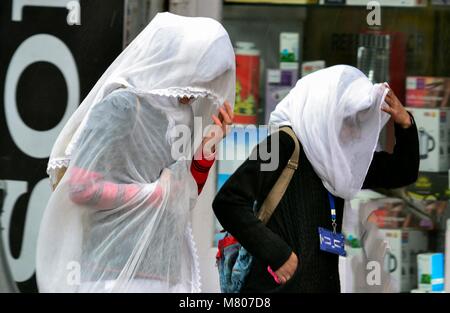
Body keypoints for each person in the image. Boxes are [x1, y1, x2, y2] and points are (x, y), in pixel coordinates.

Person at [36, 12, 235, 293]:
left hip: (164, 272)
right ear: (180, 64)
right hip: (112, 272)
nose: (203, 90)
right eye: (202, 79)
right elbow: (80, 188)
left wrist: (209, 145)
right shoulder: (123, 106)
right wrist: (152, 195)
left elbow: (182, 197)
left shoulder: (182, 114)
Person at [213, 65, 419, 293]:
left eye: (356, 122)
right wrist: (278, 254)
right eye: (346, 120)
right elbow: (228, 202)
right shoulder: (282, 144)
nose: (352, 130)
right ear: (325, 112)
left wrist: (405, 122)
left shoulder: (341, 161)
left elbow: (403, 172)